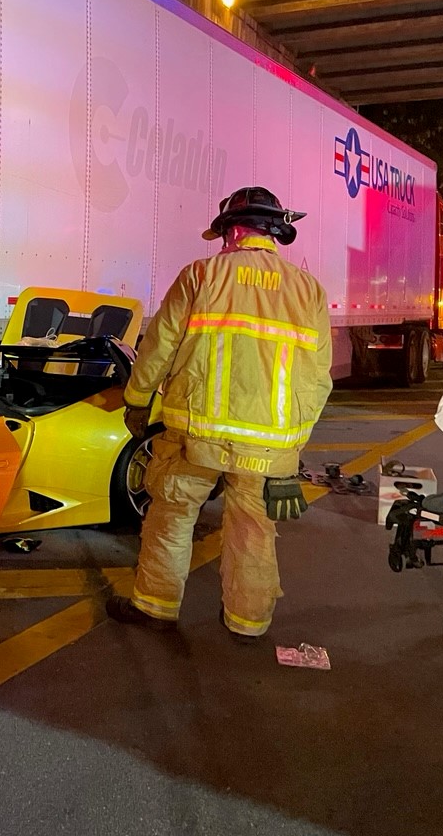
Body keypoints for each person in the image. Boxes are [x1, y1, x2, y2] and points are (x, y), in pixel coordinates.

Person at [106, 187, 332, 642]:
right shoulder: (308, 290)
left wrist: (137, 399)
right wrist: (291, 448)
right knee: (253, 531)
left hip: (194, 437)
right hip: (265, 448)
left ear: (233, 230)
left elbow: (159, 347)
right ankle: (248, 623)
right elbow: (317, 378)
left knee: (171, 516)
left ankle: (156, 606)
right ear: (273, 232)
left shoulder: (202, 276)